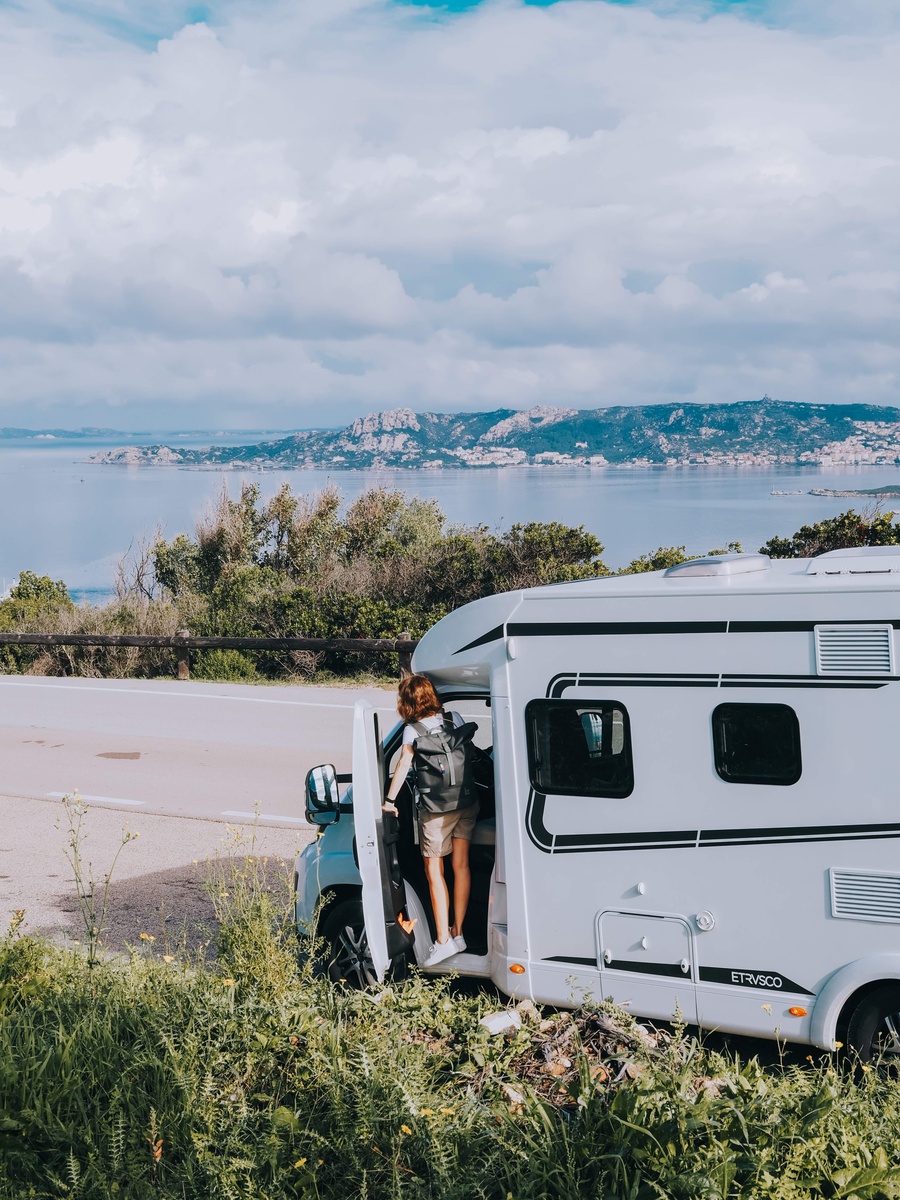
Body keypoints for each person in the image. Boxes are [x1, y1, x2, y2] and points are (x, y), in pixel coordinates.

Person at [384, 673, 477, 967]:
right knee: (461, 866)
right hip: (467, 802)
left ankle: (441, 941)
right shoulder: (455, 719)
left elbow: (402, 766)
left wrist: (388, 802)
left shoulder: (412, 731)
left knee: (434, 871)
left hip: (437, 812)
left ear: (408, 702)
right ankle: (458, 933)